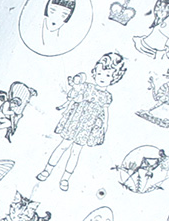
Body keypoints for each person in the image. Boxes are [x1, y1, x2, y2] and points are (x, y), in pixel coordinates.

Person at [38, 51, 126, 191]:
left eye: (108, 75)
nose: (103, 77)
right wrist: (75, 87)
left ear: (114, 78)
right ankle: (47, 170)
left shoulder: (106, 96)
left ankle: (65, 178)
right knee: (63, 145)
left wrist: (104, 126)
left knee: (75, 152)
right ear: (95, 73)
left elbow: (105, 112)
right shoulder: (88, 87)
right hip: (75, 121)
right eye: (100, 73)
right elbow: (76, 94)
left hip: (88, 126)